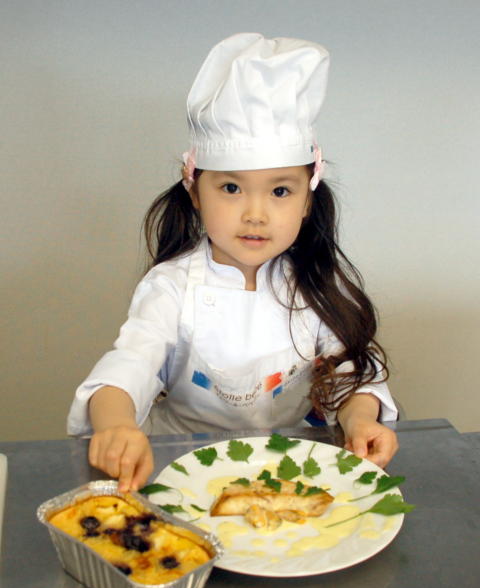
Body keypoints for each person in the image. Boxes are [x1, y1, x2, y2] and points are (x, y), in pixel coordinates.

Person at [67, 33, 399, 492]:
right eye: (231, 188)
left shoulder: (317, 285)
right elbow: (131, 364)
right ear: (194, 190)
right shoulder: (171, 286)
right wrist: (117, 425)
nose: (255, 214)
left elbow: (350, 371)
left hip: (289, 470)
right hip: (178, 466)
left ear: (307, 200)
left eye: (280, 191)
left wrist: (360, 421)